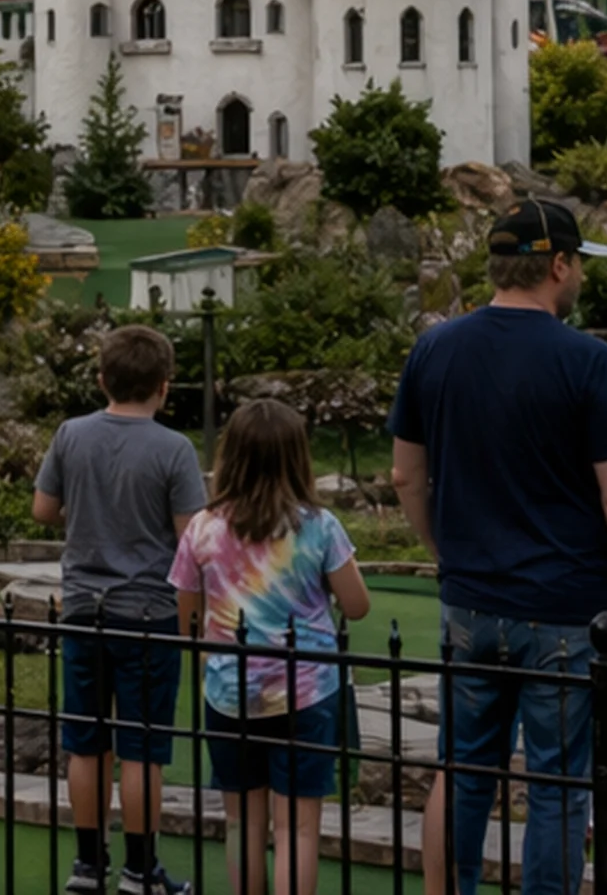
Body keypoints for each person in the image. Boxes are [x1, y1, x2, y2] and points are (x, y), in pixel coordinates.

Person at [392, 197, 607, 895]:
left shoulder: (434, 349)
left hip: (470, 600)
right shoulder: (587, 361)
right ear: (558, 265)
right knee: (557, 786)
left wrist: (444, 550)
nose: (580, 277)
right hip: (565, 606)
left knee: (462, 771)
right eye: (578, 264)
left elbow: (405, 476)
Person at [33, 322, 209, 895]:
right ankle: (139, 869)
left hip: (84, 607)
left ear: (102, 378)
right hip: (148, 612)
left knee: (86, 742)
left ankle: (88, 865)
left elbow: (43, 509)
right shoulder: (174, 449)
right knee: (141, 748)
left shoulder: (71, 434)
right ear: (164, 385)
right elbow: (191, 537)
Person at [173, 398, 372, 895]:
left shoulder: (203, 527)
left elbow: (188, 619)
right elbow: (357, 605)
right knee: (296, 829)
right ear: (296, 457)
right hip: (306, 691)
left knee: (242, 823)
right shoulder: (318, 526)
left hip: (230, 690)